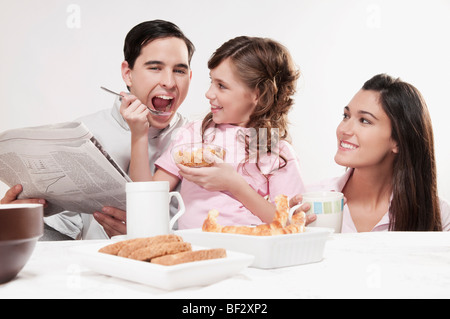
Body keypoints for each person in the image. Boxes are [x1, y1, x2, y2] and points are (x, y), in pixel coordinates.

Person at [0, 20, 195, 239]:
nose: (169, 82)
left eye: (179, 70)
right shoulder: (84, 132)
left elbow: (207, 231)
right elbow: (58, 233)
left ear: (189, 77)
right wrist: (15, 220)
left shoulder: (198, 142)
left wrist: (154, 235)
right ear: (127, 73)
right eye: (155, 68)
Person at [122, 36, 306, 229]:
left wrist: (234, 184)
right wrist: (139, 135)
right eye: (212, 82)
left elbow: (290, 224)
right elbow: (147, 199)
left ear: (257, 94)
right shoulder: (194, 135)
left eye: (221, 86)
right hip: (196, 252)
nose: (209, 93)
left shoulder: (272, 149)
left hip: (250, 250)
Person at [291, 73, 450, 232]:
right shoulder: (305, 200)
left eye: (364, 120)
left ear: (398, 141)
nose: (343, 129)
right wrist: (285, 234)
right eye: (346, 116)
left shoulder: (440, 216)